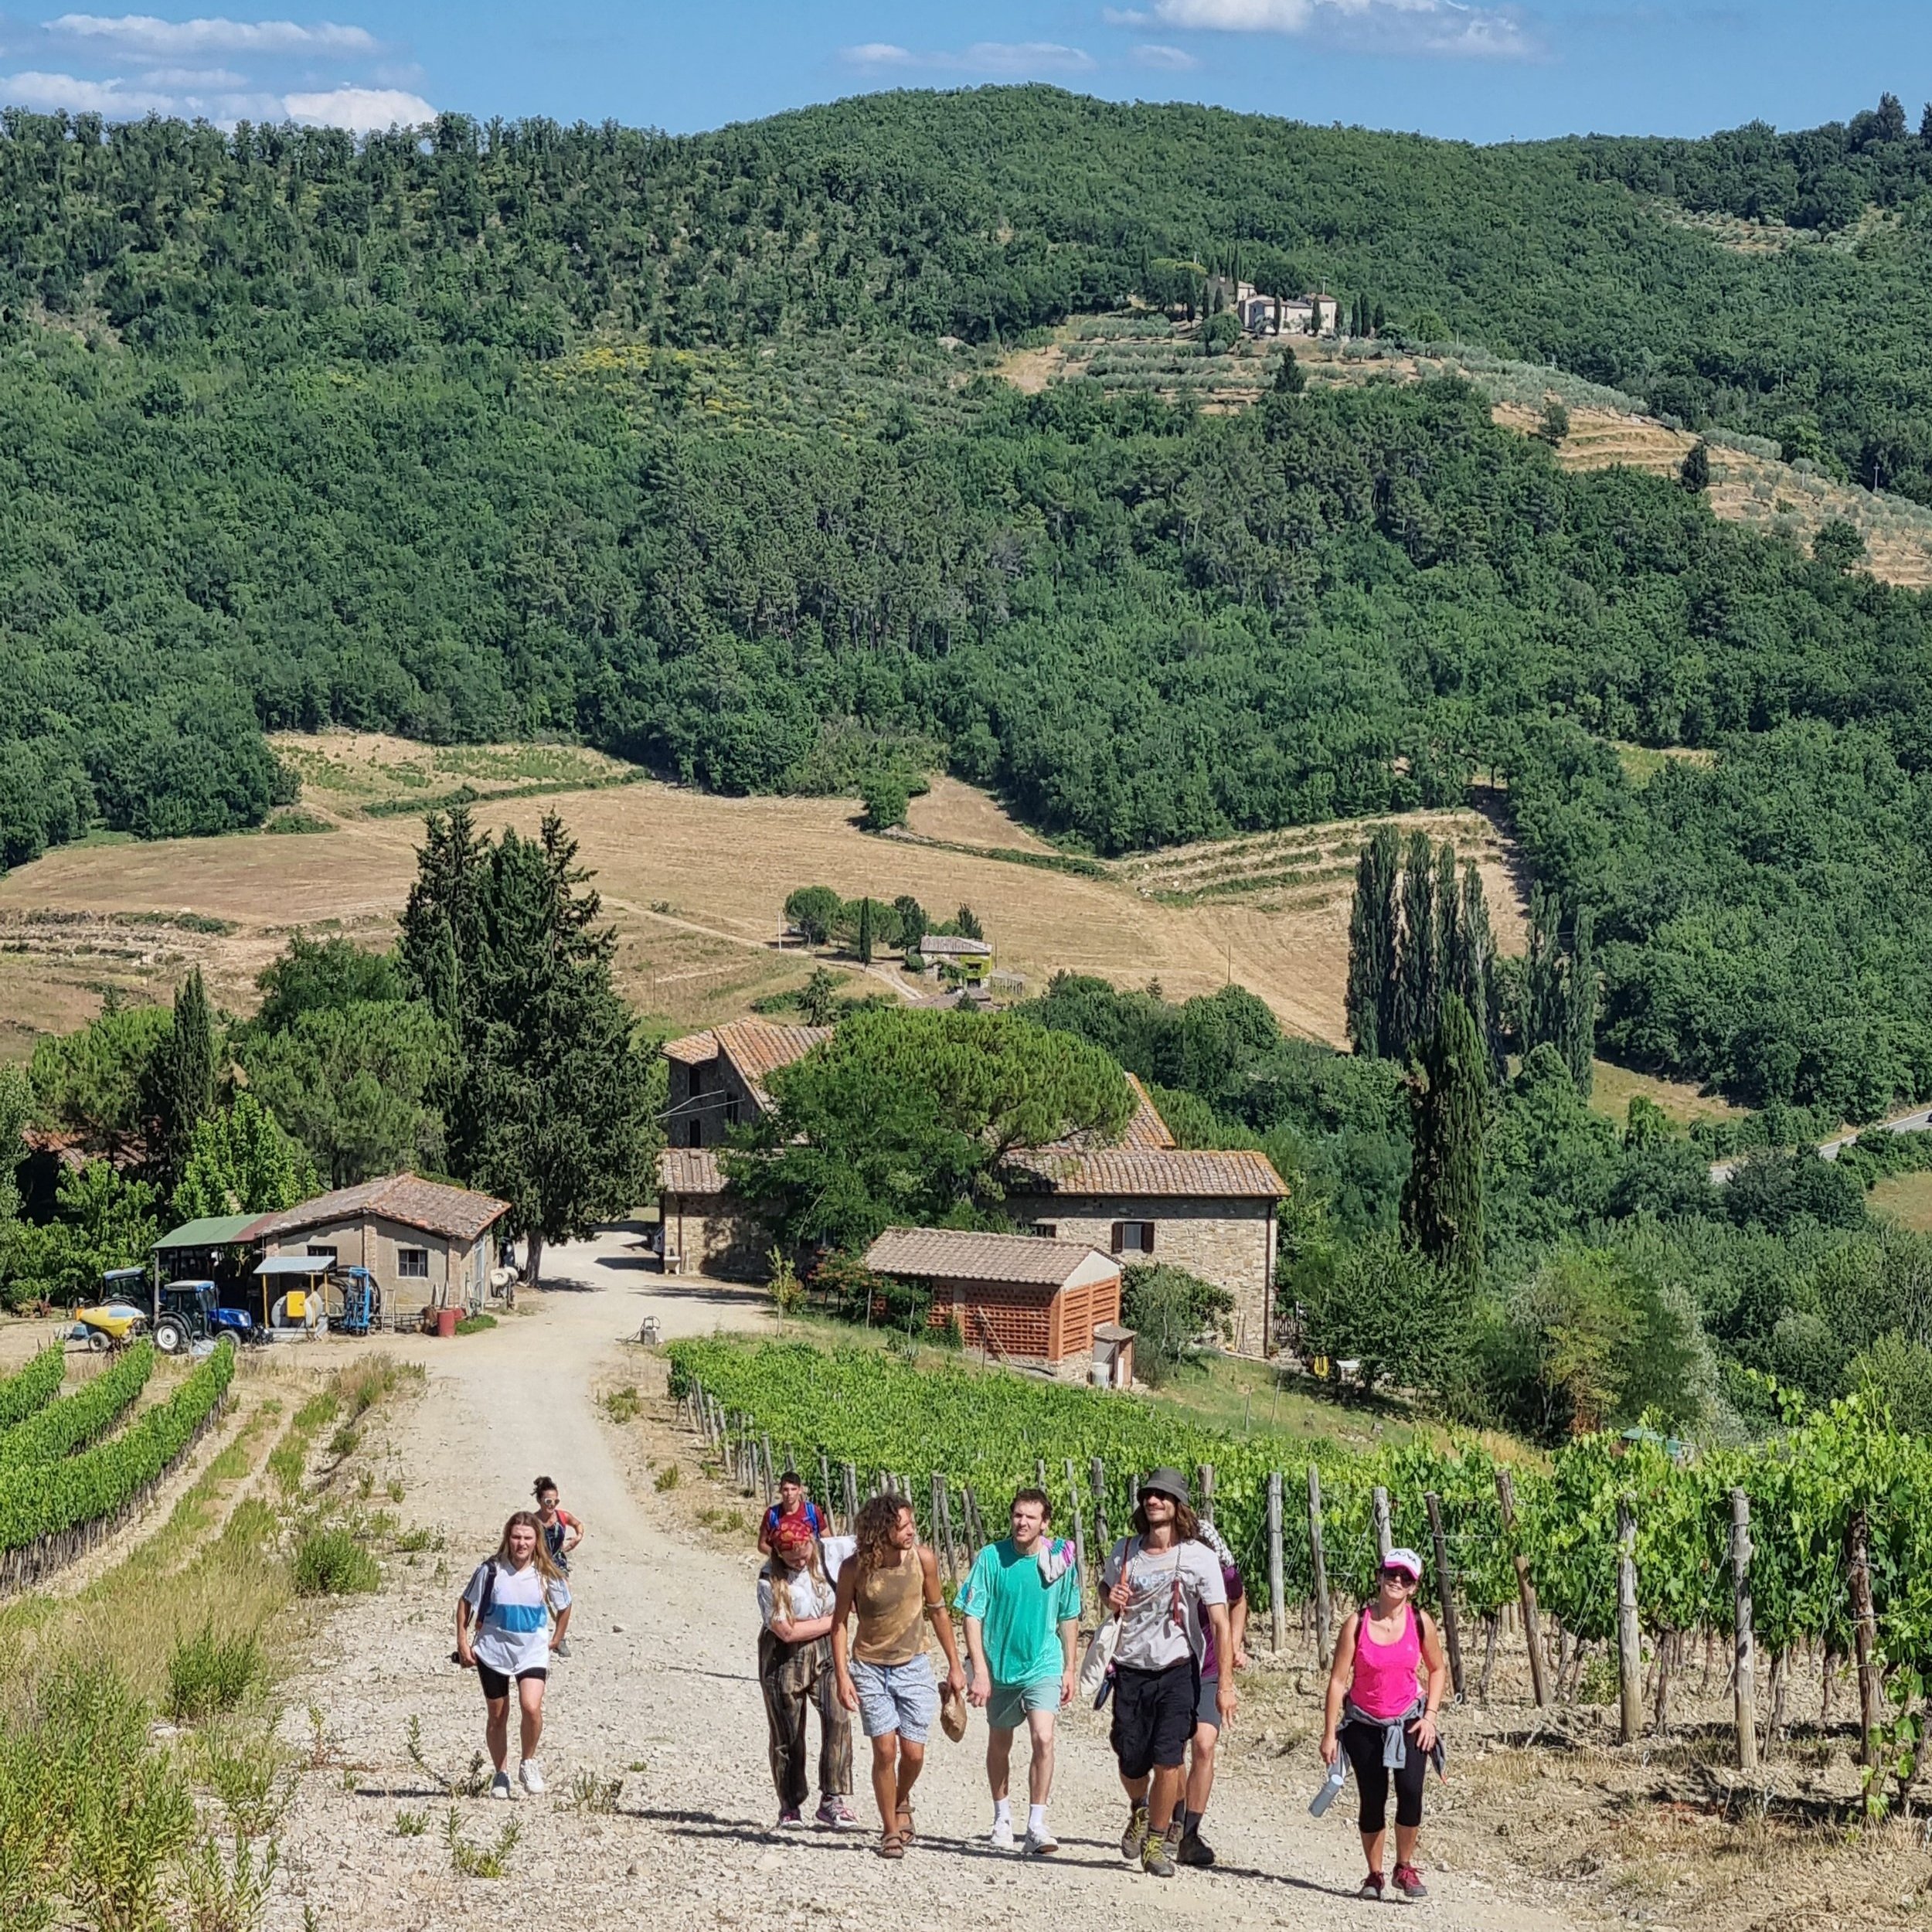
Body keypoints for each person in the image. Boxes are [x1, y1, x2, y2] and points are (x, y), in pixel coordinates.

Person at [1100, 1468, 1235, 1879]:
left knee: (1169, 1758)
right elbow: (1105, 1589)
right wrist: (1111, 1597)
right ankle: (1139, 1808)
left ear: (1179, 1506)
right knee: (1130, 1758)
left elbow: (1221, 1622)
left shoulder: (1199, 1557)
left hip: (1178, 1669)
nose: (1153, 1501)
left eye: (1162, 1496)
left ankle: (1157, 1841)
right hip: (1131, 1668)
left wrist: (1225, 1685)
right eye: (1149, 1495)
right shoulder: (1125, 1550)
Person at [831, 1493, 967, 1859]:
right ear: (882, 1530)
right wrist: (842, 1675)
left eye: (911, 1524)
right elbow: (839, 1624)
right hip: (869, 1667)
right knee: (884, 1750)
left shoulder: (923, 1560)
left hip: (913, 1665)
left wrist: (955, 1665)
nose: (911, 1531)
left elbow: (938, 1611)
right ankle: (890, 1830)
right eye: (903, 1526)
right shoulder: (854, 1569)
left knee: (914, 1754)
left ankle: (901, 1797)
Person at [1319, 1547, 1448, 1903]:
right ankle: (1374, 1874)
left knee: (1411, 1792)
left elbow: (1438, 1669)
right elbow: (1337, 1681)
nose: (1397, 1580)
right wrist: (1329, 1733)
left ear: (1413, 1587)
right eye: (1391, 1573)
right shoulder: (1356, 1624)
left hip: (1408, 1720)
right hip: (1364, 1721)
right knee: (1372, 1797)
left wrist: (1430, 1717)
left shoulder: (1421, 1623)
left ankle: (1403, 1867)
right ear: (1379, 1576)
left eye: (1405, 1577)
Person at [958, 1488, 1082, 1856]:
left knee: (1044, 1737)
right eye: (1017, 1515)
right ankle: (1002, 1818)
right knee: (1000, 1743)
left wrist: (1070, 1667)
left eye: (1031, 1517)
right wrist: (981, 1670)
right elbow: (971, 1615)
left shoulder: (1060, 1560)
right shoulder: (991, 1559)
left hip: (1043, 1662)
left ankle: (1037, 1824)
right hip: (1000, 1667)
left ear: (1045, 1524)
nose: (1022, 1523)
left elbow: (1069, 1614)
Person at [455, 1511, 573, 1799]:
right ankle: (501, 1774)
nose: (521, 1543)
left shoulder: (546, 1572)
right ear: (508, 1538)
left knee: (531, 1707)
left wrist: (557, 1638)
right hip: (493, 1651)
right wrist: (462, 1642)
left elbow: (565, 1605)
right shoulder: (491, 1570)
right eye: (516, 1537)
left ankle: (528, 1762)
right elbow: (465, 1603)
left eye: (527, 1538)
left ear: (536, 1540)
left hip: (532, 1651)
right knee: (498, 1715)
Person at [757, 1519, 859, 1830]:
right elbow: (787, 1631)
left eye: (804, 1554)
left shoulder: (831, 1552)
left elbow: (865, 1546)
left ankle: (832, 1799)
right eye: (793, 1558)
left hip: (828, 1650)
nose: (801, 1562)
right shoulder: (768, 1580)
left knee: (838, 1717)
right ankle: (790, 1805)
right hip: (784, 1657)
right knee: (787, 1731)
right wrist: (838, 1618)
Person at [1177, 1518, 1249, 1867]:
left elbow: (1239, 1599)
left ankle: (1190, 1833)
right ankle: (1171, 1821)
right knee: (1171, 1751)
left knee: (1204, 1744)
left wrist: (1233, 1643)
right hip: (1172, 1666)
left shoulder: (1223, 1571)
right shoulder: (1170, 1564)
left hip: (1208, 1670)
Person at [532, 1477, 583, 1656]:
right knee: (535, 1600)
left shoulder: (562, 1517)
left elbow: (578, 1524)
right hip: (537, 1564)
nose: (552, 1505)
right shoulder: (533, 1521)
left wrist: (577, 1538)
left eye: (556, 1501)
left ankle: (559, 1639)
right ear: (540, 1501)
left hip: (557, 1564)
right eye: (548, 1501)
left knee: (564, 1600)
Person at [758, 1470, 825, 1555]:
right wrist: (778, 1556)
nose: (789, 1493)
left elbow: (827, 1538)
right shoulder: (772, 1514)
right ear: (780, 1490)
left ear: (800, 1490)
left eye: (793, 1489)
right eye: (786, 1489)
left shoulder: (812, 1511)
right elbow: (762, 1544)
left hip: (810, 1559)